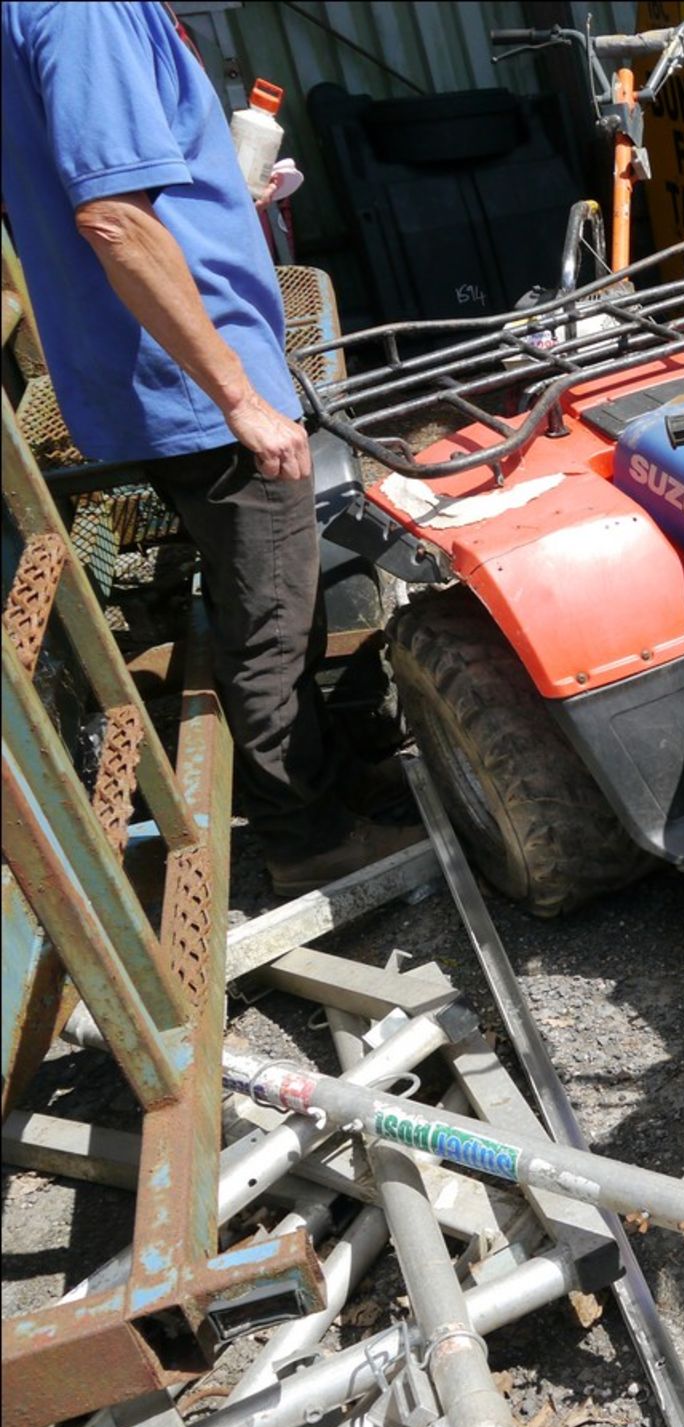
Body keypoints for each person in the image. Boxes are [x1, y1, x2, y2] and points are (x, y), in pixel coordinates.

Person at [2, 1, 419, 896]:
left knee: (271, 591)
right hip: (194, 383)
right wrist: (239, 395)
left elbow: (119, 184)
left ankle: (339, 773)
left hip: (159, 369)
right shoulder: (81, 14)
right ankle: (307, 835)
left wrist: (224, 192)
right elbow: (113, 217)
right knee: (272, 616)